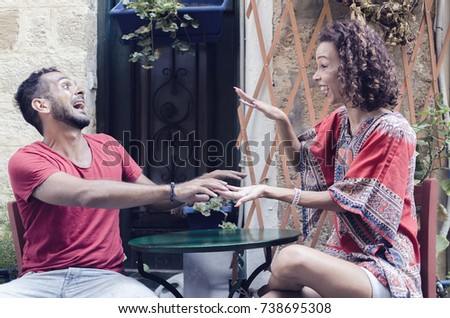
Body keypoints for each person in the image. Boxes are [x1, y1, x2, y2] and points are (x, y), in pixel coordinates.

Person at [0, 67, 246, 298]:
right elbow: (84, 193)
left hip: (105, 280)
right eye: (65, 86)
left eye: (77, 85)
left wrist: (191, 189)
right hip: (41, 281)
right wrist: (175, 190)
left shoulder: (108, 146)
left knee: (143, 305)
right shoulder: (26, 160)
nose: (79, 90)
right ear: (41, 105)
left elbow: (156, 198)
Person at [230, 20, 421, 298]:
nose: (317, 77)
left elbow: (345, 200)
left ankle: (255, 292)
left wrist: (269, 190)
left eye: (324, 66)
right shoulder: (340, 121)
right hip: (346, 263)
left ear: (351, 68)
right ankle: (261, 294)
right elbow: (300, 162)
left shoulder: (392, 131)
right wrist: (282, 120)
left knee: (289, 259)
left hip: (386, 268)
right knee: (273, 300)